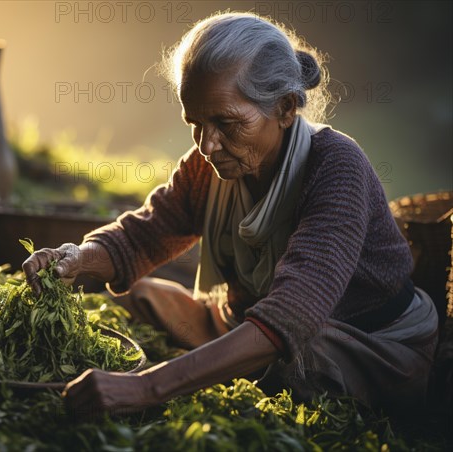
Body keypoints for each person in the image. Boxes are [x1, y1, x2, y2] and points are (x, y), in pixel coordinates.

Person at [22, 12, 438, 416]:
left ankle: (226, 362)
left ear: (286, 108)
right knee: (135, 294)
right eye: (195, 123)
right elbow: (144, 236)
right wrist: (77, 258)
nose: (207, 144)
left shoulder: (336, 169)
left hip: (360, 344)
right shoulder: (210, 165)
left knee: (298, 365)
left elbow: (292, 316)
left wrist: (146, 387)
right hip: (246, 323)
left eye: (226, 123)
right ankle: (227, 357)